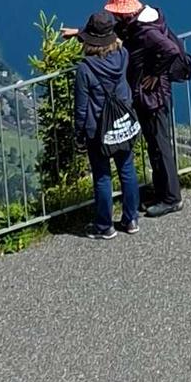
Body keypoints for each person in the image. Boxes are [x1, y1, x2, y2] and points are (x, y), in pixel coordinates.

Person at [106, 0, 188, 214]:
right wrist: (82, 34)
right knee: (155, 145)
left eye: (117, 11)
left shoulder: (146, 30)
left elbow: (171, 50)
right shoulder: (138, 22)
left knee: (160, 146)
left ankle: (172, 199)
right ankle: (162, 191)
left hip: (154, 97)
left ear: (126, 10)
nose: (114, 15)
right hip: (150, 95)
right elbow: (110, 33)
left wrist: (154, 73)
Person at [72, 13, 141, 238]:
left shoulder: (85, 69)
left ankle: (105, 226)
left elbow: (81, 108)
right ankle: (131, 220)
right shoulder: (123, 55)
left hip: (98, 130)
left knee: (102, 176)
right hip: (123, 123)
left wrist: (79, 134)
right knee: (127, 170)